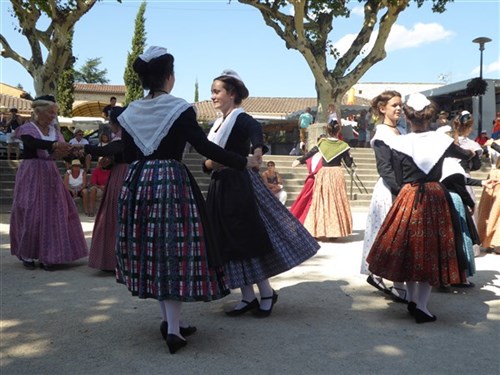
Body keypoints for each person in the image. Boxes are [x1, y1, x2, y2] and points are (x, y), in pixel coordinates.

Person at [114, 47, 260, 355]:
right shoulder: (179, 108)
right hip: (170, 183)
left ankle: (169, 323)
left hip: (138, 184)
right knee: (173, 251)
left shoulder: (128, 112)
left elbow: (127, 155)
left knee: (151, 251)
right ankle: (174, 330)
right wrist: (241, 162)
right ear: (169, 76)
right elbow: (204, 146)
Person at [205, 69, 319, 320]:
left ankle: (266, 293)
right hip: (220, 186)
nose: (212, 96)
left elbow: (255, 130)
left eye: (217, 91)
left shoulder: (241, 118)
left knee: (245, 238)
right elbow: (208, 161)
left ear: (232, 94)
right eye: (212, 91)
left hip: (237, 186)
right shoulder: (218, 123)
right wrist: (210, 165)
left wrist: (257, 150)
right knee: (228, 242)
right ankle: (247, 296)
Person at [366, 93, 473, 324]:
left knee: (412, 249)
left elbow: (395, 174)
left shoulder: (399, 142)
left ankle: (414, 300)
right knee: (430, 250)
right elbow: (468, 159)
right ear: (430, 115)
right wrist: (473, 152)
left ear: (408, 116)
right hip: (434, 197)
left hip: (408, 195)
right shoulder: (442, 141)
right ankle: (421, 305)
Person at [9, 95, 88, 271]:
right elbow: (31, 143)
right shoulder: (27, 129)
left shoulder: (55, 132)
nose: (53, 116)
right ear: (38, 112)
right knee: (30, 211)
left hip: (50, 174)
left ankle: (49, 255)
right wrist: (54, 146)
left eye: (54, 112)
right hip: (31, 173)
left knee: (53, 212)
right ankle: (27, 253)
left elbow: (63, 152)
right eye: (50, 112)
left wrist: (73, 152)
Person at [360, 90, 407, 303]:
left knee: (398, 237)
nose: (399, 108)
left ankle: (394, 281)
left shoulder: (401, 131)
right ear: (382, 109)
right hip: (390, 189)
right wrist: (400, 191)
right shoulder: (381, 134)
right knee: (389, 235)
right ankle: (384, 277)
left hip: (402, 187)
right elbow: (385, 169)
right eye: (394, 105)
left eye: (400, 105)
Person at [83, 106, 128, 271]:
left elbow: (104, 150)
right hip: (127, 172)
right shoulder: (131, 135)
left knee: (115, 215)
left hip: (122, 175)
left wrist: (84, 148)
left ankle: (114, 259)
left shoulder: (123, 136)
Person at [294, 120, 353, 239]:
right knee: (335, 201)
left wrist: (299, 160)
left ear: (327, 130)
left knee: (320, 200)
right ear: (338, 131)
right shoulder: (343, 145)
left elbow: (311, 153)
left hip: (324, 173)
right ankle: (334, 232)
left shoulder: (322, 143)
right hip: (336, 173)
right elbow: (348, 163)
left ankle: (316, 230)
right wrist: (350, 158)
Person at [290, 134, 325, 223]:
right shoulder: (312, 156)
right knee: (304, 201)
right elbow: (305, 158)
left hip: (323, 182)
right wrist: (299, 160)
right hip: (311, 182)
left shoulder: (327, 157)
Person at [477, 139, 500, 254]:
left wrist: (493, 145)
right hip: (494, 176)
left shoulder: (494, 143)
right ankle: (487, 241)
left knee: (497, 210)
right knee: (488, 211)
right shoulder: (494, 141)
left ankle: (497, 242)